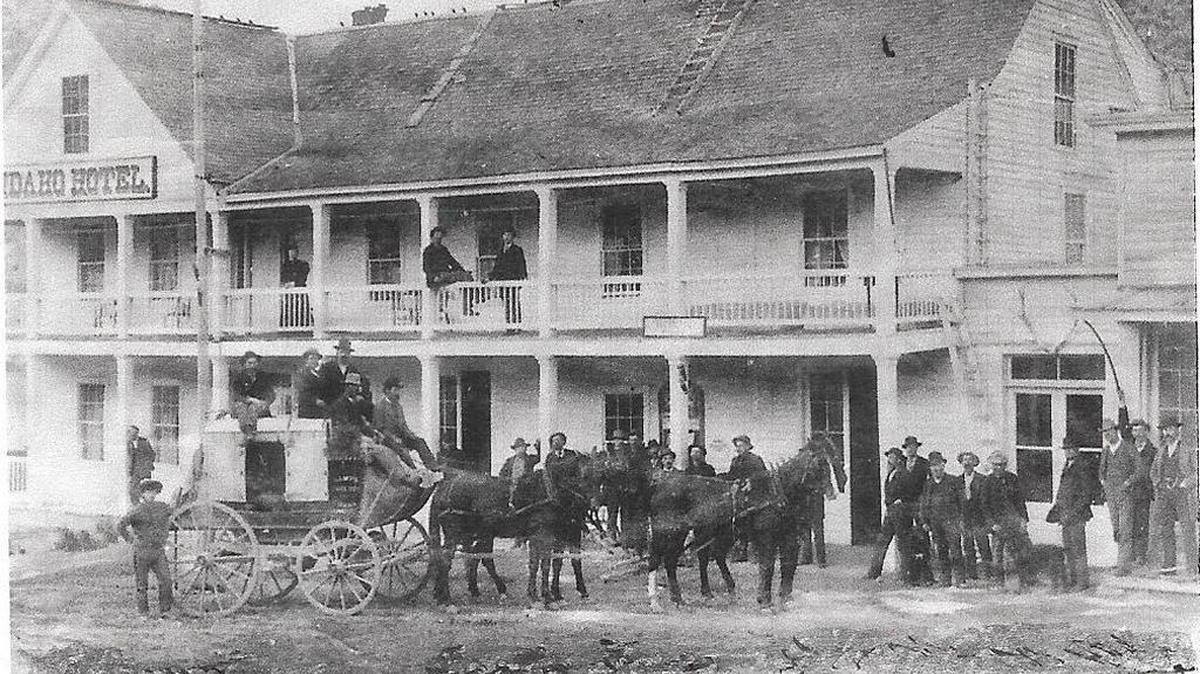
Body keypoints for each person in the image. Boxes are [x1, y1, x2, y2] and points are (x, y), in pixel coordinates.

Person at [1048, 437, 1101, 591]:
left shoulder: (1082, 466)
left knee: (1078, 550)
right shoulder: (1068, 465)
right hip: (1065, 514)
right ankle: (1073, 580)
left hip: (1076, 515)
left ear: (1077, 450)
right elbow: (1063, 490)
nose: (1067, 452)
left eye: (1070, 448)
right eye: (1065, 449)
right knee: (1068, 549)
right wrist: (1059, 510)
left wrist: (1071, 513)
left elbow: (1086, 495)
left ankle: (1082, 582)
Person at [115, 479, 173, 618]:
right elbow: (120, 525)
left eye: (154, 492)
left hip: (158, 551)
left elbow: (174, 512)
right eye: (148, 492)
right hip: (142, 551)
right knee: (142, 584)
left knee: (166, 580)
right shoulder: (136, 510)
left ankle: (164, 611)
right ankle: (143, 613)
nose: (152, 495)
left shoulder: (161, 507)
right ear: (142, 494)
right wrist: (130, 539)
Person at [1149, 415, 1197, 577]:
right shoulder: (1161, 450)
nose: (1167, 433)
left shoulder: (1187, 450)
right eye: (1164, 430)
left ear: (1177, 430)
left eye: (1170, 429)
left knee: (1187, 529)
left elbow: (1195, 473)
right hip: (1164, 495)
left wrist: (1184, 484)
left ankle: (1192, 567)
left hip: (1182, 494)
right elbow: (1153, 472)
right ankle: (1169, 566)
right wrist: (1158, 483)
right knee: (1166, 529)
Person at [866, 447, 918, 584]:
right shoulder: (891, 473)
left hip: (900, 512)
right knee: (882, 541)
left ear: (899, 459)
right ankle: (874, 571)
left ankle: (906, 575)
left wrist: (900, 501)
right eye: (889, 457)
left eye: (892, 457)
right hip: (890, 512)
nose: (890, 460)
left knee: (903, 544)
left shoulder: (903, 473)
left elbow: (910, 492)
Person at [981, 452, 1030, 592]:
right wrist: (991, 524)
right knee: (997, 554)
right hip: (997, 523)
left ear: (1005, 465)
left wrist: (1023, 519)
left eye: (1002, 465)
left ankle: (1019, 582)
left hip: (1013, 521)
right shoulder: (987, 482)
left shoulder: (1012, 479)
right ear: (992, 466)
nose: (999, 468)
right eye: (996, 465)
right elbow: (984, 505)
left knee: (1018, 552)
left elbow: (1020, 501)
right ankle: (998, 581)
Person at [918, 451, 965, 587]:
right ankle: (945, 579)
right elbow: (924, 504)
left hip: (952, 522)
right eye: (933, 466)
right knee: (941, 551)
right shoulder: (928, 484)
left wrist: (961, 520)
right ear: (930, 468)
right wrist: (925, 522)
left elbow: (961, 502)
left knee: (956, 550)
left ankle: (960, 579)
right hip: (935, 523)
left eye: (939, 465)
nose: (936, 468)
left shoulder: (953, 481)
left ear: (943, 465)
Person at [1116, 418, 1157, 574]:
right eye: (1134, 430)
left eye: (1140, 430)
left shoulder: (1152, 451)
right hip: (1128, 493)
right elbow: (1122, 424)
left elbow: (1151, 473)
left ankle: (1140, 555)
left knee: (1141, 524)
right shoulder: (1128, 448)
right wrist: (1122, 404)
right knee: (1127, 525)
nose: (1137, 433)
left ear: (1146, 431)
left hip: (1143, 493)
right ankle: (1128, 557)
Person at [374, 375, 439, 469]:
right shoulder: (380, 406)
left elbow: (403, 424)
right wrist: (393, 438)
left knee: (419, 442)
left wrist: (411, 435)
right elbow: (380, 428)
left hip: (401, 437)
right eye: (395, 390)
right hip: (387, 439)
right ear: (387, 391)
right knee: (403, 451)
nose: (398, 393)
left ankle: (433, 466)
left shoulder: (398, 406)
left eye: (398, 390)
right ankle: (414, 472)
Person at [796, 437, 836, 568]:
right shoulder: (802, 458)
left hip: (815, 497)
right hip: (804, 497)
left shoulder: (822, 461)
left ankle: (821, 559)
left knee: (817, 529)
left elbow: (825, 478)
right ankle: (806, 556)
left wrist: (824, 489)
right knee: (803, 528)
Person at [957, 451, 993, 581]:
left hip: (979, 518)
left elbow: (986, 500)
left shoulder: (982, 480)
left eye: (969, 460)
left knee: (983, 545)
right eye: (964, 460)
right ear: (961, 463)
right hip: (965, 518)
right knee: (967, 546)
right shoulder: (958, 481)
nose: (967, 463)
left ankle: (988, 574)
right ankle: (972, 575)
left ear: (974, 463)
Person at [1099, 415, 1133, 543]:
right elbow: (1101, 471)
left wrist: (1128, 482)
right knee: (1116, 528)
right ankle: (1121, 560)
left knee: (1125, 529)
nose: (1107, 435)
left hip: (1125, 494)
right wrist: (1104, 483)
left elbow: (1139, 468)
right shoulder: (1106, 451)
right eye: (1104, 432)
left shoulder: (1128, 447)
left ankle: (1124, 561)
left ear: (1116, 430)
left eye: (1109, 431)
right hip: (1111, 494)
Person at [487, 225, 527, 326]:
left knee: (514, 303)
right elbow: (497, 267)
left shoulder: (517, 250)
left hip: (513, 280)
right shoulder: (501, 251)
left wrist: (522, 277)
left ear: (513, 237)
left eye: (509, 235)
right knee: (507, 303)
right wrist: (490, 277)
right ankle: (509, 325)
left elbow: (521, 264)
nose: (507, 237)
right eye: (505, 235)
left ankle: (517, 325)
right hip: (502, 281)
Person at [231, 351, 276, 438]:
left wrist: (265, 402)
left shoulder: (263, 377)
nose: (252, 366)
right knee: (242, 407)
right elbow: (236, 395)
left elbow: (271, 394)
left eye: (255, 363)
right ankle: (247, 431)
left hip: (259, 406)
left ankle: (251, 430)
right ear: (244, 364)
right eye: (249, 363)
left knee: (253, 408)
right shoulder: (238, 378)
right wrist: (249, 400)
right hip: (243, 405)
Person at [317, 339, 363, 408]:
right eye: (342, 352)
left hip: (347, 408)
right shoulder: (327, 368)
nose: (344, 355)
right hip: (330, 406)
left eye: (347, 352)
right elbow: (320, 386)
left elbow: (358, 388)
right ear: (337, 353)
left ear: (350, 355)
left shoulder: (354, 370)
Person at [499, 437, 541, 506]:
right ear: (515, 449)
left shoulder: (529, 459)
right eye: (519, 447)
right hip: (512, 487)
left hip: (525, 487)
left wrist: (538, 447)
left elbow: (539, 457)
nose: (522, 449)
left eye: (523, 447)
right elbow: (501, 475)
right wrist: (510, 479)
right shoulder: (509, 461)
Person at [279, 246, 312, 328]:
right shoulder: (285, 265)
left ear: (297, 252)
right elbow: (283, 278)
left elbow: (303, 276)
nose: (292, 253)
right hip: (289, 293)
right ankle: (286, 327)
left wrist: (295, 283)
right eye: (290, 251)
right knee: (288, 310)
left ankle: (305, 327)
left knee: (302, 309)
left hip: (300, 292)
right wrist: (286, 284)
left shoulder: (303, 264)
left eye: (294, 251)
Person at [126, 425, 156, 505]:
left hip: (142, 471)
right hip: (133, 471)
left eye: (134, 434)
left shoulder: (144, 442)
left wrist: (147, 466)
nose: (132, 436)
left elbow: (152, 455)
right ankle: (137, 507)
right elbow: (130, 458)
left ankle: (140, 507)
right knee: (133, 491)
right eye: (130, 434)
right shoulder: (128, 443)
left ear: (137, 434)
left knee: (137, 490)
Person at [293, 349, 325, 419]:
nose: (314, 361)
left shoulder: (320, 374)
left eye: (316, 358)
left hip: (319, 411)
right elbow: (303, 392)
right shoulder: (302, 374)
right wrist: (315, 400)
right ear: (306, 360)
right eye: (311, 358)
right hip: (307, 411)